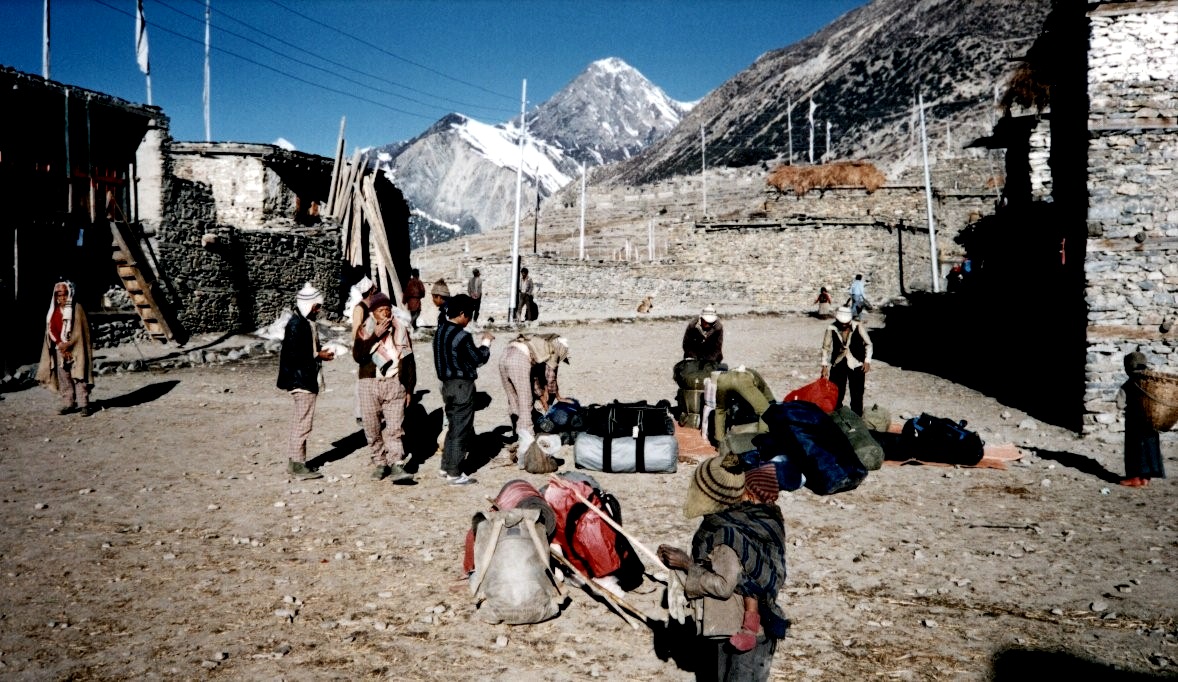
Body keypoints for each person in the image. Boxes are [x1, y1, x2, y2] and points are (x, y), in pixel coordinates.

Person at [657, 457, 788, 681]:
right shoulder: (756, 519)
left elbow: (724, 586)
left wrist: (686, 564)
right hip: (752, 626)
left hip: (735, 629)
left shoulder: (726, 533)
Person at [353, 292, 415, 483]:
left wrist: (410, 389)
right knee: (372, 427)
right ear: (372, 313)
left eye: (388, 310)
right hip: (369, 383)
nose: (385, 314)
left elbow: (410, 361)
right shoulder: (364, 330)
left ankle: (396, 463)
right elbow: (358, 356)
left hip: (394, 383)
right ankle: (380, 462)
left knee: (395, 428)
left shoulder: (401, 329)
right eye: (380, 310)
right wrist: (374, 337)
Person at [433, 294, 493, 485]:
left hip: (446, 385)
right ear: (461, 314)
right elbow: (478, 359)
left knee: (452, 426)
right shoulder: (462, 335)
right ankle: (455, 472)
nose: (468, 320)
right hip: (462, 385)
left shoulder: (440, 330)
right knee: (461, 429)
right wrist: (486, 343)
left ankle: (446, 466)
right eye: (468, 315)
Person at [277, 283, 334, 480]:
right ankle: (298, 464)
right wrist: (319, 354)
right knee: (303, 423)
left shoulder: (303, 322)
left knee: (300, 421)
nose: (318, 311)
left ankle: (296, 460)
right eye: (316, 307)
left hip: (303, 377)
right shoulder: (297, 324)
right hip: (301, 380)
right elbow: (295, 355)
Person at [499, 334, 570, 444]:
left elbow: (534, 378)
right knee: (526, 403)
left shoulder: (540, 342)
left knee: (513, 400)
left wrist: (541, 395)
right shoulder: (556, 348)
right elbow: (551, 377)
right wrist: (553, 399)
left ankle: (517, 434)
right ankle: (528, 441)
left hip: (504, 355)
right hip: (519, 359)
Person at [37, 280, 95, 416]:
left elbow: (81, 332)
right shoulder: (54, 312)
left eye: (64, 294)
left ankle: (84, 404)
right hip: (60, 348)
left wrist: (69, 345)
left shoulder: (77, 309)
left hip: (76, 349)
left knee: (79, 376)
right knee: (64, 377)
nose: (61, 298)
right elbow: (50, 329)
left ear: (69, 294)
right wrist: (60, 344)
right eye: (58, 295)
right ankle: (68, 403)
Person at [1117, 352, 1166, 488]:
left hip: (1135, 421)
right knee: (1150, 446)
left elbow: (1120, 403)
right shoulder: (1154, 381)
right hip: (1152, 419)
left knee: (1135, 447)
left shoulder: (1129, 383)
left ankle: (1135, 478)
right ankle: (1146, 478)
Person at [820, 306, 873, 416]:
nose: (843, 325)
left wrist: (867, 361)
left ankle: (857, 419)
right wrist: (824, 366)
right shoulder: (831, 328)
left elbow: (869, 344)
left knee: (857, 394)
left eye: (846, 323)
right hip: (838, 363)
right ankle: (836, 417)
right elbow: (826, 347)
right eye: (841, 323)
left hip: (856, 363)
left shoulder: (858, 326)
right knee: (836, 393)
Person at [350, 276, 379, 423]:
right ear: (370, 290)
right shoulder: (360, 308)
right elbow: (356, 330)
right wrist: (361, 347)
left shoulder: (372, 305)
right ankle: (360, 413)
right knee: (362, 381)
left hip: (373, 347)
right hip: (364, 347)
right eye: (374, 288)